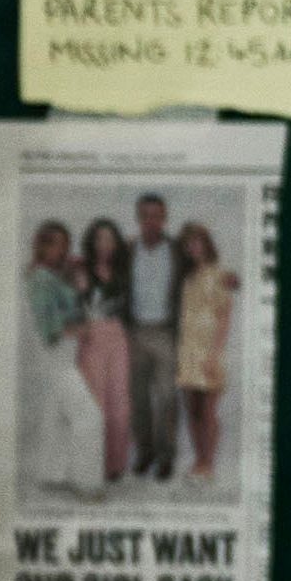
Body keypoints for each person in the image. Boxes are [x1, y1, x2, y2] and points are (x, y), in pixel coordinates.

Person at [19, 219, 104, 498]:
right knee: (88, 415)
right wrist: (83, 329)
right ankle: (87, 483)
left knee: (56, 415)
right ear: (42, 246)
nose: (64, 251)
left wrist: (75, 280)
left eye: (67, 245)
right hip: (57, 356)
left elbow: (68, 307)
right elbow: (50, 330)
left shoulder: (49, 276)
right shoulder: (42, 279)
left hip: (61, 357)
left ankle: (52, 474)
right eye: (58, 245)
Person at [118, 194, 186, 486]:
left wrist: (227, 277)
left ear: (165, 217)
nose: (151, 220)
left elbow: (201, 265)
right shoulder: (128, 249)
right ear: (138, 217)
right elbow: (101, 264)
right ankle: (145, 453)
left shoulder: (177, 250)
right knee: (138, 399)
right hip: (133, 334)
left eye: (157, 215)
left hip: (165, 334)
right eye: (145, 215)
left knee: (168, 399)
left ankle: (166, 456)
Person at [172, 218, 238, 480]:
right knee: (192, 410)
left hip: (209, 351)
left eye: (197, 242)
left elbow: (224, 317)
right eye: (188, 244)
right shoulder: (186, 278)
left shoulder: (218, 275)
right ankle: (198, 461)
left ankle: (208, 465)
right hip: (186, 351)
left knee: (208, 411)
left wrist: (213, 355)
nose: (193, 248)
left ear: (206, 244)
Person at [73, 217, 137, 485]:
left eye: (110, 238)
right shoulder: (80, 269)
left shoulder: (124, 270)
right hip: (92, 339)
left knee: (119, 405)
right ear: (92, 241)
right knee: (93, 404)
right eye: (99, 238)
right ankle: (90, 464)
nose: (105, 244)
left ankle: (115, 464)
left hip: (119, 339)